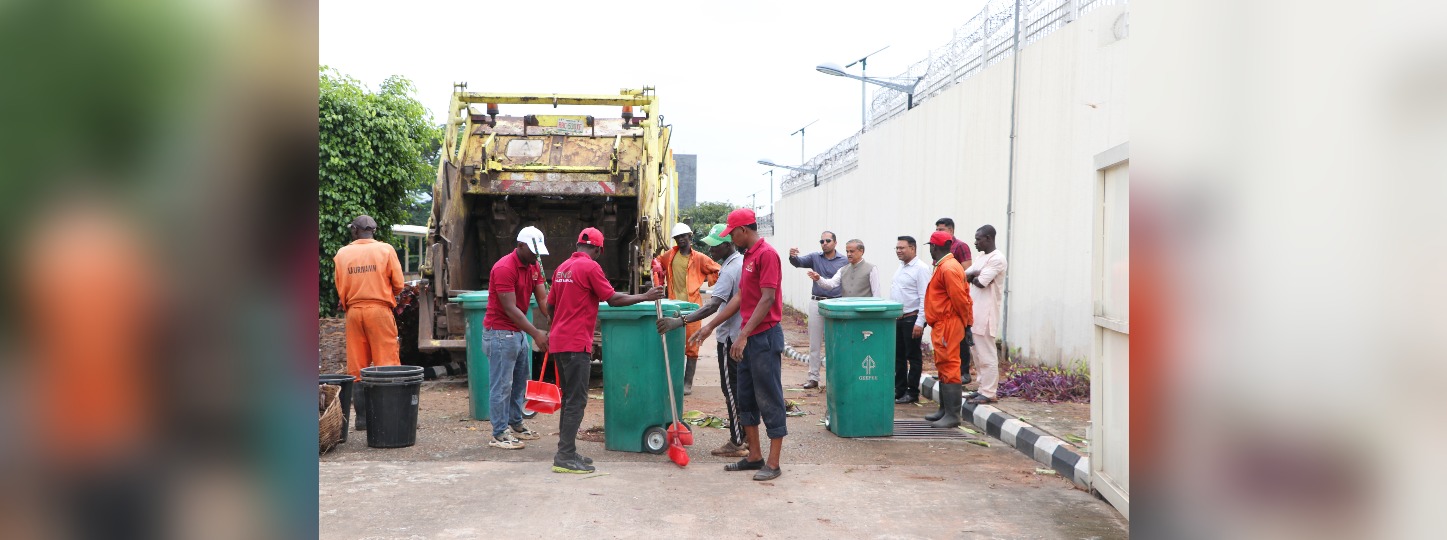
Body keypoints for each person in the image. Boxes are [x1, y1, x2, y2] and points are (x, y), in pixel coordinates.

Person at [548, 227, 665, 473]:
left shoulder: (561, 268)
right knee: (576, 401)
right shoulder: (590, 267)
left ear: (578, 243)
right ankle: (564, 456)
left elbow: (550, 306)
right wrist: (645, 296)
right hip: (575, 343)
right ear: (599, 249)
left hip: (559, 341)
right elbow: (612, 299)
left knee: (569, 399)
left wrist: (561, 324)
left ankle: (567, 450)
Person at [698, 208, 787, 481]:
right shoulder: (748, 256)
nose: (730, 238)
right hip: (748, 339)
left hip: (764, 337)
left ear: (744, 230)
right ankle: (754, 456)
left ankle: (773, 463)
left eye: (731, 233)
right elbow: (741, 297)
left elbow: (767, 298)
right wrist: (711, 326)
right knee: (744, 396)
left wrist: (744, 334)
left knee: (769, 397)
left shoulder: (767, 255)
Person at [664, 224, 748, 457]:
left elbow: (712, 304)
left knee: (730, 390)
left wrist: (680, 322)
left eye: (715, 246)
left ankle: (737, 441)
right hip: (739, 334)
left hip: (730, 336)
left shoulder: (730, 270)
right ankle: (746, 437)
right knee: (740, 390)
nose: (710, 250)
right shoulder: (740, 263)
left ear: (728, 244)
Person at [482, 226, 552, 449]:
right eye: (533, 251)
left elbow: (543, 300)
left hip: (518, 333)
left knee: (519, 382)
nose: (536, 256)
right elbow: (511, 309)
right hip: (500, 332)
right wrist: (536, 334)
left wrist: (555, 319)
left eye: (538, 252)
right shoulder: (504, 268)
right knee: (502, 385)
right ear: (520, 245)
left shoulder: (534, 265)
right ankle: (499, 433)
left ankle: (516, 424)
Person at [332, 215, 405, 431]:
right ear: (373, 230)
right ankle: (389, 415)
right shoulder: (386, 250)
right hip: (380, 311)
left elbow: (340, 286)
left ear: (355, 230)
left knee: (357, 367)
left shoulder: (342, 254)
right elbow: (399, 284)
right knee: (387, 364)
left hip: (354, 313)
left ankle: (362, 420)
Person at [653, 223, 721, 395]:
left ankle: (687, 383)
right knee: (673, 344)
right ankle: (673, 380)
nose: (681, 239)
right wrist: (656, 270)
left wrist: (702, 280)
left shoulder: (699, 258)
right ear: (675, 240)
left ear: (690, 237)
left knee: (692, 344)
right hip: (673, 307)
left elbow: (717, 269)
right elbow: (658, 262)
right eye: (678, 237)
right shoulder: (670, 255)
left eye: (684, 236)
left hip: (693, 308)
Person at [921, 231, 973, 428]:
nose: (930, 250)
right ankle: (945, 410)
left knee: (950, 365)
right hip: (943, 323)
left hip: (948, 323)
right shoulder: (945, 266)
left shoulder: (949, 268)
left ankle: (953, 415)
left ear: (935, 247)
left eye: (931, 247)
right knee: (943, 365)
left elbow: (961, 299)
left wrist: (967, 324)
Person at [787, 231, 848, 389]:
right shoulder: (815, 257)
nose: (824, 243)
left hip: (836, 304)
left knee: (834, 342)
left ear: (835, 242)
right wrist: (792, 256)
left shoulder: (844, 261)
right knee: (814, 343)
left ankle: (834, 377)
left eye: (828, 240)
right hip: (817, 302)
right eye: (822, 241)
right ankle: (813, 377)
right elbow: (798, 262)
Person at [965, 225, 1008, 404]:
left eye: (978, 239)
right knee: (976, 352)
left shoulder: (997, 259)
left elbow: (981, 282)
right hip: (975, 312)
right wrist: (974, 273)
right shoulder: (982, 257)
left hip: (987, 313)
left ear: (989, 238)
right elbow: (965, 275)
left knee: (987, 354)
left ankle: (989, 392)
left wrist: (975, 275)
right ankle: (982, 388)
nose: (975, 243)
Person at [889, 236, 932, 404]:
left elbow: (925, 297)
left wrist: (920, 322)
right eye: (897, 248)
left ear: (913, 249)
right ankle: (899, 390)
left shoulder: (920, 269)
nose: (899, 251)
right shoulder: (901, 267)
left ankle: (912, 392)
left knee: (912, 356)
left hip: (911, 318)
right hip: (898, 318)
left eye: (902, 248)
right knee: (898, 356)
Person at [935, 217, 975, 384]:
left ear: (951, 230)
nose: (938, 232)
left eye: (941, 229)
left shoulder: (960, 246)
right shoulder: (939, 248)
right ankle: (949, 373)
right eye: (936, 229)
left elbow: (968, 271)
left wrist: (954, 284)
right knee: (948, 344)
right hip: (944, 303)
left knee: (961, 338)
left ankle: (964, 372)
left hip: (957, 297)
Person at [806, 239, 881, 298]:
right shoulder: (843, 270)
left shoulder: (871, 268)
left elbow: (876, 294)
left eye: (852, 251)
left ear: (861, 251)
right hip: (846, 312)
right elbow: (831, 284)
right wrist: (819, 279)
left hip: (864, 312)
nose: (848, 254)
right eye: (847, 251)